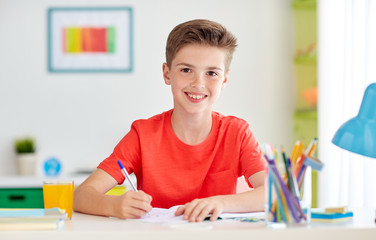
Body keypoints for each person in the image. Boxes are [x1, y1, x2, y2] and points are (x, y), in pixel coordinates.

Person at [73, 19, 265, 222]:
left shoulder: (237, 132)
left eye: (211, 73)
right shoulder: (142, 134)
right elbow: (80, 196)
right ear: (167, 73)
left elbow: (275, 194)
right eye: (186, 70)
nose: (198, 83)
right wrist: (115, 205)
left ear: (224, 80)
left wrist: (221, 203)